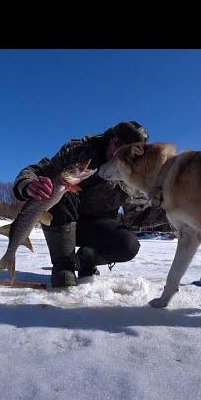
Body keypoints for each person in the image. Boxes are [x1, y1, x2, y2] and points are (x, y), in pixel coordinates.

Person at [12, 121, 165, 287]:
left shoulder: (132, 174)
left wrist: (172, 212)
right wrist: (27, 184)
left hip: (97, 227)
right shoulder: (79, 151)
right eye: (118, 144)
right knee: (63, 189)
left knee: (128, 245)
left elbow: (137, 215)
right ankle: (64, 266)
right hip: (61, 221)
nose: (118, 153)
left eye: (127, 150)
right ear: (110, 139)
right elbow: (39, 170)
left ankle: (86, 259)